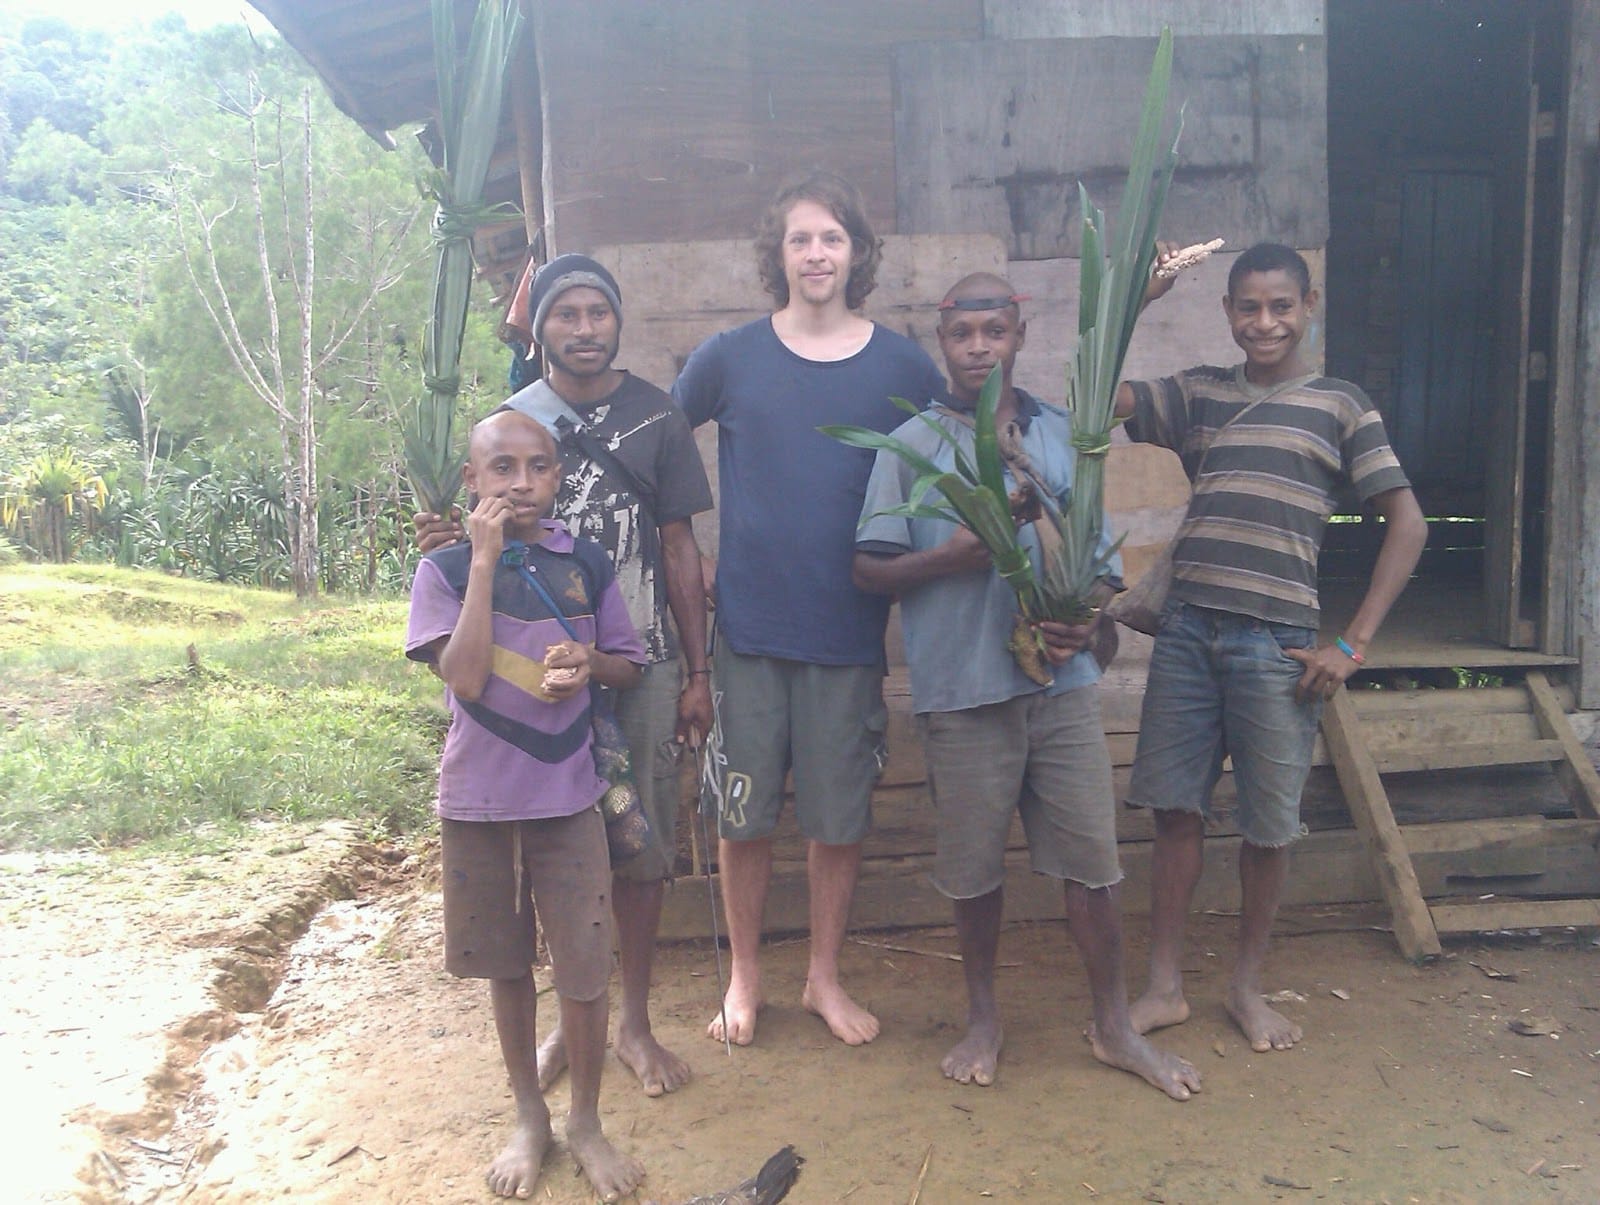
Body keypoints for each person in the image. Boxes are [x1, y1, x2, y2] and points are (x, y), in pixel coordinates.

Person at [850, 273, 1201, 1100]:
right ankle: (983, 1018)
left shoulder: (1060, 437)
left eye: (994, 331)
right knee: (973, 873)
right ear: (943, 340)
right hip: (962, 692)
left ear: (1017, 336)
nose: (979, 346)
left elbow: (1099, 570)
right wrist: (953, 558)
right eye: (963, 332)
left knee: (1094, 867)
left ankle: (1114, 1024)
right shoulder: (913, 444)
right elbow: (867, 568)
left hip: (1063, 689)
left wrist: (1084, 617)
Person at [1115, 242, 1427, 1052]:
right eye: (1248, 307)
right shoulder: (1197, 395)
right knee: (1176, 813)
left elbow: (1410, 523)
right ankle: (1164, 987)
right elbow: (1096, 403)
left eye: (1281, 306)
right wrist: (1136, 300)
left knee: (1267, 829)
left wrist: (1351, 646)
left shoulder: (1341, 406)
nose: (1265, 322)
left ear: (1308, 304)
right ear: (1226, 312)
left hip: (1278, 648)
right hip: (1188, 634)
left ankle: (1248, 988)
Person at [416, 253, 713, 1097]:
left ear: (617, 321)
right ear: (538, 327)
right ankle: (566, 1023)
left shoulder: (659, 415)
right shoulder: (513, 422)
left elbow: (680, 544)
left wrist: (697, 669)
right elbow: (459, 543)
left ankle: (635, 1023)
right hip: (518, 679)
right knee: (545, 845)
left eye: (597, 313)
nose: (583, 329)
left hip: (634, 659)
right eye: (565, 314)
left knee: (641, 842)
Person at [673, 170, 944, 1047]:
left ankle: (825, 975)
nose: (817, 253)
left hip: (849, 634)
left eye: (832, 237)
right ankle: (746, 977)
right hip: (748, 632)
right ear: (777, 255)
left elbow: (956, 467)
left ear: (857, 252)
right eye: (800, 239)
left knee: (837, 820)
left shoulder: (902, 364)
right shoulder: (730, 357)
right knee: (742, 815)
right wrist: (692, 552)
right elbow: (662, 454)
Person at [405, 408, 647, 1202]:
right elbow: (466, 677)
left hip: (569, 796)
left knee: (583, 963)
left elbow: (629, 664)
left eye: (538, 467)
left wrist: (589, 660)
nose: (521, 483)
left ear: (557, 476)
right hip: (479, 803)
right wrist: (480, 560)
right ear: (471, 481)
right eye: (501, 468)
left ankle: (585, 1119)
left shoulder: (587, 563)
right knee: (505, 963)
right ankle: (529, 1114)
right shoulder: (440, 572)